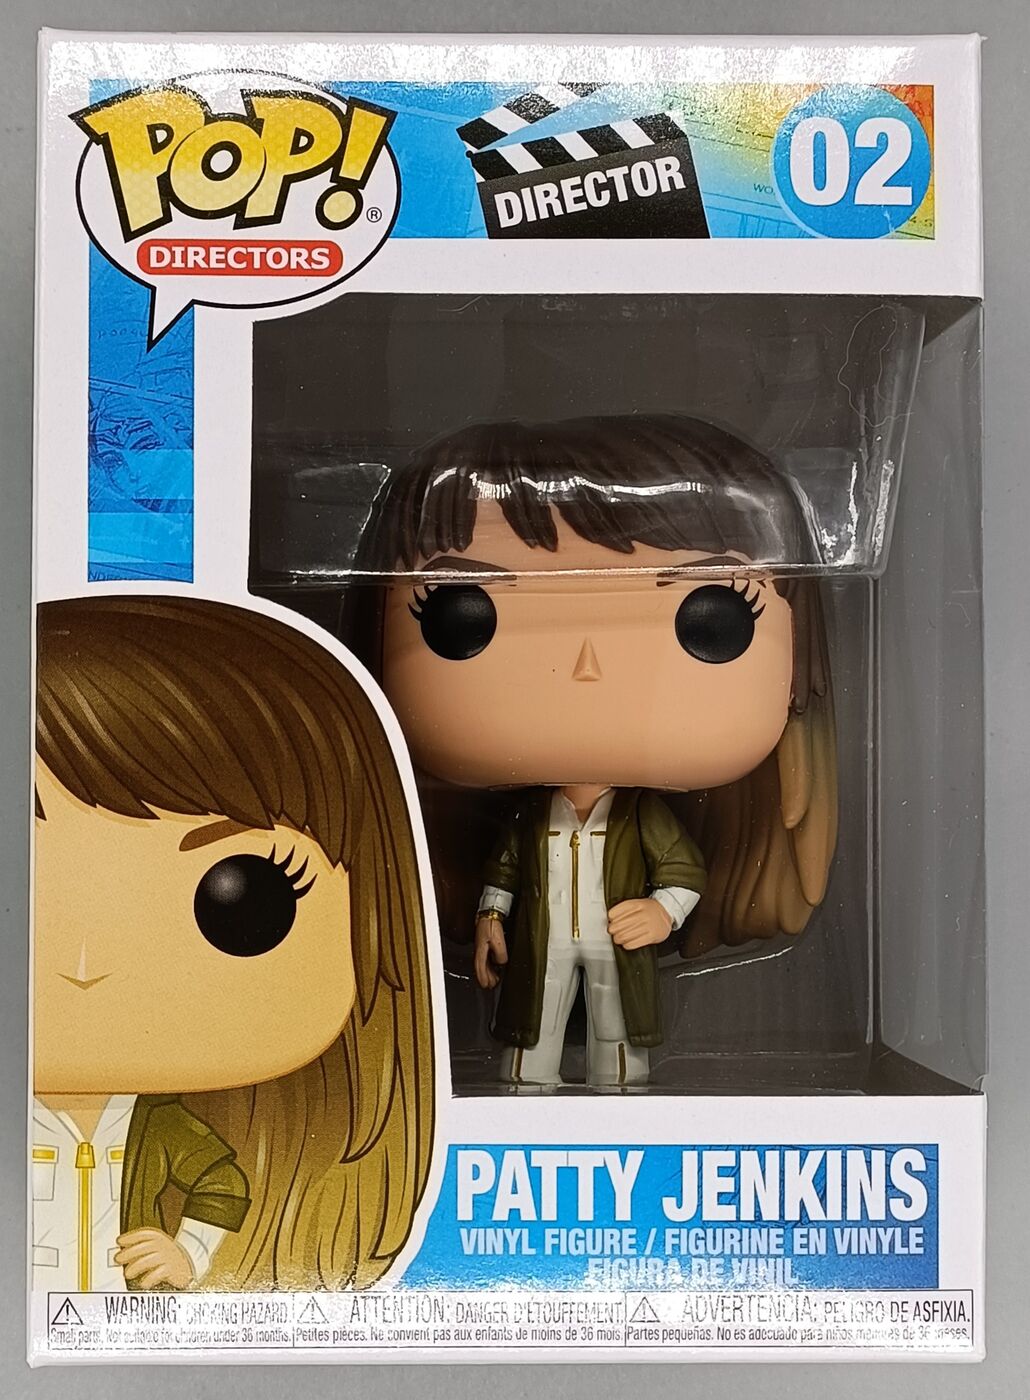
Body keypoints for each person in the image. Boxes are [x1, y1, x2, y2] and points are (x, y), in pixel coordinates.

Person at [371, 413, 836, 1088]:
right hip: (543, 946)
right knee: (533, 1023)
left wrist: (663, 910)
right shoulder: (529, 823)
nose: (586, 665)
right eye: (461, 613)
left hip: (618, 942)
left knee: (617, 1027)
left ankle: (618, 1084)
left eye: (713, 616)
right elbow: (503, 873)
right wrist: (491, 919)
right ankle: (528, 1082)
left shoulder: (643, 819)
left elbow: (683, 873)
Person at [34, 596, 434, 1290]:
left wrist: (187, 1252)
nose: (84, 966)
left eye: (242, 898)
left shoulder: (160, 1124)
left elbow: (222, 1184)